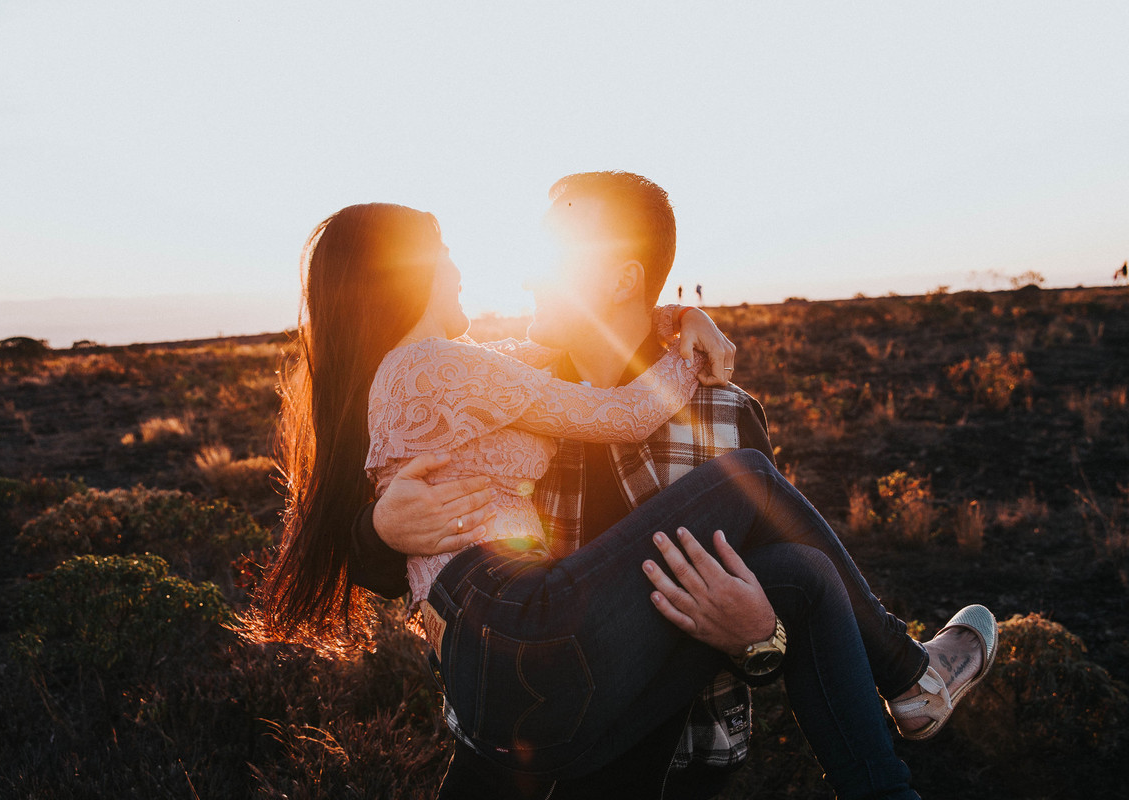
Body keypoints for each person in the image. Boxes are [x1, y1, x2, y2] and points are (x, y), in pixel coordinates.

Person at [256, 183, 997, 799]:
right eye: (445, 258)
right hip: (522, 725)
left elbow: (778, 633)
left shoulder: (717, 413)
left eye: (552, 257)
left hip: (664, 753)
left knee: (799, 572)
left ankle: (905, 718)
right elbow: (384, 561)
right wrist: (379, 530)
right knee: (752, 488)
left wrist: (758, 637)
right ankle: (913, 679)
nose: (519, 275)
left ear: (619, 277)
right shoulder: (511, 386)